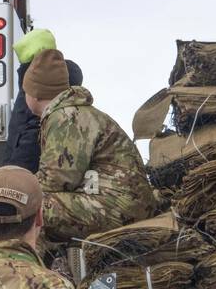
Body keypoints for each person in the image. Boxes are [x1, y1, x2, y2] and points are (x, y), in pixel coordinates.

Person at [23, 49, 157, 249]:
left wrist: (15, 189)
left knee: (28, 206)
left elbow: (56, 179)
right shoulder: (71, 113)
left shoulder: (66, 117)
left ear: (35, 94)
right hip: (121, 203)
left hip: (116, 206)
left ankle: (25, 274)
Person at [4, 28, 83, 173]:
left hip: (28, 168)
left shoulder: (37, 82)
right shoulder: (62, 75)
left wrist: (14, 171)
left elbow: (31, 131)